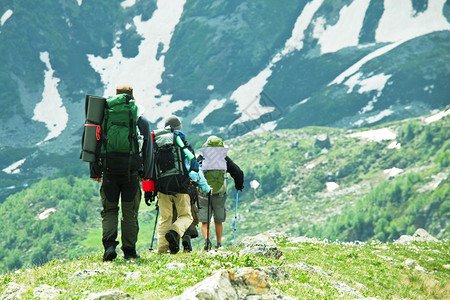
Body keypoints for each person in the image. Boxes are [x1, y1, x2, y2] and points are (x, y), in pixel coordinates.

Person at [90, 85, 153, 261]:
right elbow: (148, 147)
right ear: (132, 97)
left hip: (109, 171)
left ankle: (109, 246)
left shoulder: (104, 115)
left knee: (109, 210)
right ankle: (130, 251)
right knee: (130, 213)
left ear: (115, 96)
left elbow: (94, 142)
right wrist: (146, 172)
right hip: (131, 173)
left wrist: (95, 170)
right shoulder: (139, 117)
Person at [153, 116, 208, 254]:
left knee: (165, 218)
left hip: (162, 187)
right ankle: (174, 231)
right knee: (186, 216)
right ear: (178, 128)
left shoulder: (157, 141)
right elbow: (193, 164)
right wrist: (204, 186)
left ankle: (162, 250)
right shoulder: (180, 140)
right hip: (181, 186)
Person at [198, 136, 244, 250]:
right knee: (218, 220)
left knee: (205, 221)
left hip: (204, 193)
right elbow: (238, 172)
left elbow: (193, 170)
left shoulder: (202, 157)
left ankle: (207, 241)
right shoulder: (224, 158)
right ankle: (218, 244)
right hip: (220, 193)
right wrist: (239, 186)